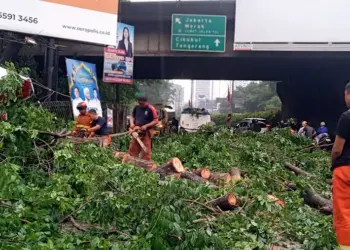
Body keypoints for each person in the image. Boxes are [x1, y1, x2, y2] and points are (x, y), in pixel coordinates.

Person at [331, 82, 350, 249]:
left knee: (344, 212)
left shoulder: (347, 116)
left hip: (346, 170)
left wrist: (332, 164)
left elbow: (337, 149)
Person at [128, 94, 158, 160]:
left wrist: (146, 126)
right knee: (133, 148)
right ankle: (132, 162)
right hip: (136, 131)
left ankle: (146, 164)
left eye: (142, 103)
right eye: (139, 103)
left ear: (146, 102)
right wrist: (132, 123)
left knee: (146, 150)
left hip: (146, 132)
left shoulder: (151, 109)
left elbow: (156, 121)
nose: (141, 105)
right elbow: (132, 116)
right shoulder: (136, 107)